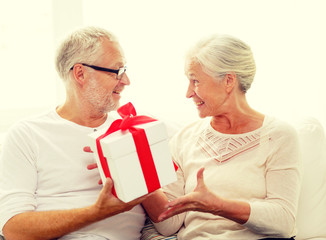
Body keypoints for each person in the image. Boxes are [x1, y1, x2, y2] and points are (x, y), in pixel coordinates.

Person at [144, 34, 302, 239]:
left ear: (228, 81)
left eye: (195, 80)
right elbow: (168, 224)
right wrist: (136, 178)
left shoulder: (279, 136)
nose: (188, 93)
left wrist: (218, 206)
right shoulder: (184, 139)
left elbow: (283, 220)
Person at [0, 26, 151, 240]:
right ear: (80, 73)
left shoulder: (132, 128)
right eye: (117, 70)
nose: (126, 81)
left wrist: (139, 170)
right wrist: (96, 212)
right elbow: (13, 229)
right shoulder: (27, 134)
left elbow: (165, 223)